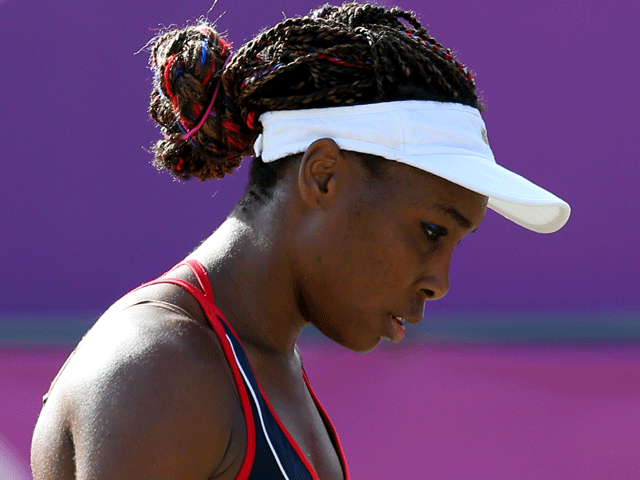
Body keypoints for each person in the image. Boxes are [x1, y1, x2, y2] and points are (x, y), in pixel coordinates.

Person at [31, 2, 570, 479]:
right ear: (323, 176)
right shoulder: (164, 369)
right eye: (432, 231)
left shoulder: (259, 363)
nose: (440, 282)